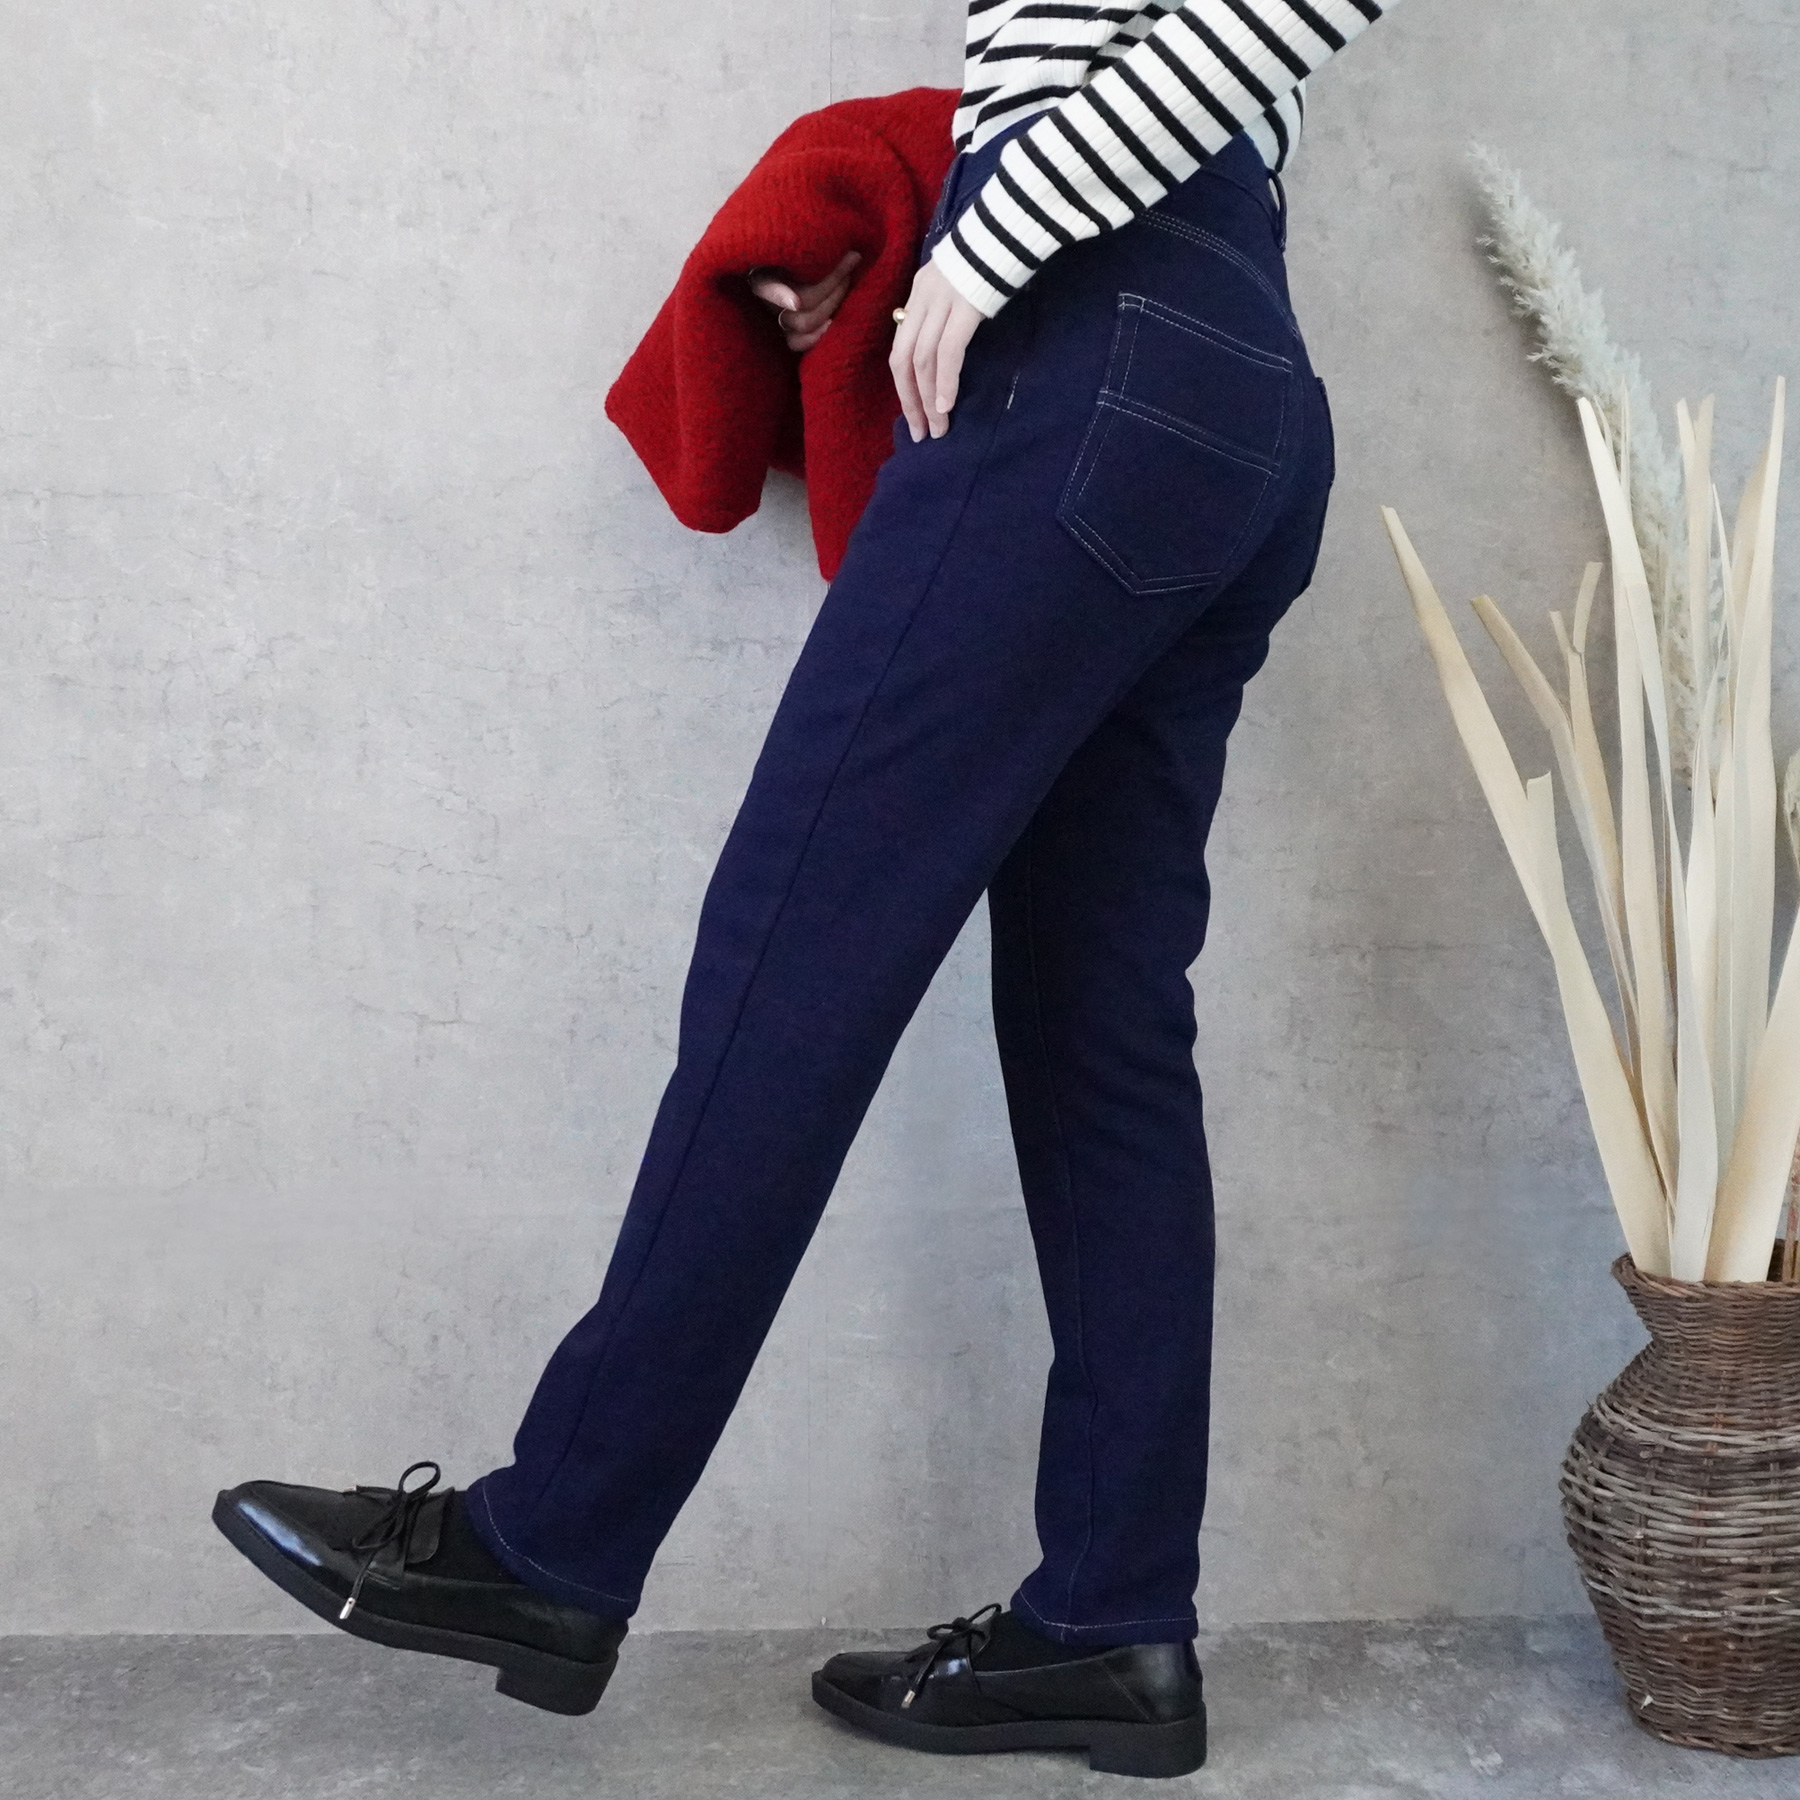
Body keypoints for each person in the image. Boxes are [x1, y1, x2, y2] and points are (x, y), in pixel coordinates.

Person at [213, 0, 1401, 1779]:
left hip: (1093, 344)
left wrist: (988, 243)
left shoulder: (1059, 245)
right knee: (1103, 1034)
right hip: (1238, 390)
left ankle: (555, 1541)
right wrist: (931, 214)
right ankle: (1114, 1622)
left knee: (801, 937)